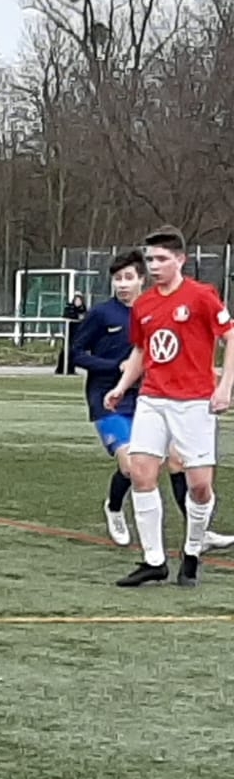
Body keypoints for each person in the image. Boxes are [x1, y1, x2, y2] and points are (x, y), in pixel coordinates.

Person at [71, 250, 234, 552]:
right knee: (131, 467)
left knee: (178, 462)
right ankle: (114, 508)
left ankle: (198, 532)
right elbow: (75, 354)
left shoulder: (156, 307)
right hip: (110, 400)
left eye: (128, 278)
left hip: (153, 399)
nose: (122, 284)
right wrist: (115, 368)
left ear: (141, 279)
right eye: (117, 279)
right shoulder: (102, 314)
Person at [106, 226, 234, 588]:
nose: (154, 265)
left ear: (180, 260)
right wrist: (121, 387)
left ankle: (192, 550)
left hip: (194, 403)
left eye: (162, 259)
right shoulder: (144, 305)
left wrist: (224, 387)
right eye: (150, 259)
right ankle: (154, 560)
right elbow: (141, 350)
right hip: (153, 399)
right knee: (141, 473)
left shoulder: (202, 296)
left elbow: (230, 337)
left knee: (199, 487)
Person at [55, 291, 86, 375]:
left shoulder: (83, 309)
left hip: (77, 335)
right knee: (65, 351)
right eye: (76, 300)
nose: (78, 302)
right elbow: (66, 316)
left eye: (79, 300)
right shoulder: (69, 308)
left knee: (73, 352)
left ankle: (71, 369)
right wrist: (76, 316)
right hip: (69, 333)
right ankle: (60, 369)